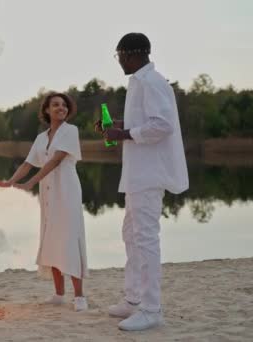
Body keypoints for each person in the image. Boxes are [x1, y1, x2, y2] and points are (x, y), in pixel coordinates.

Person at [96, 33, 189, 331]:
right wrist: (118, 126)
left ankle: (152, 309)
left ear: (131, 53)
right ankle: (134, 299)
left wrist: (123, 135)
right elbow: (146, 122)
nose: (119, 61)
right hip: (136, 173)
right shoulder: (138, 82)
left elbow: (163, 125)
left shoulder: (152, 82)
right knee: (131, 236)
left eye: (119, 55)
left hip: (150, 173)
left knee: (146, 239)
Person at [0, 92, 89, 312]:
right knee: (52, 237)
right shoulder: (41, 137)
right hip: (48, 193)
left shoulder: (70, 131)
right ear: (46, 110)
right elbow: (27, 164)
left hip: (67, 190)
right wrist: (10, 182)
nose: (61, 108)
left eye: (64, 105)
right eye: (55, 105)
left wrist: (30, 183)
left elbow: (55, 161)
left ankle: (80, 296)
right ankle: (59, 294)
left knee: (71, 238)